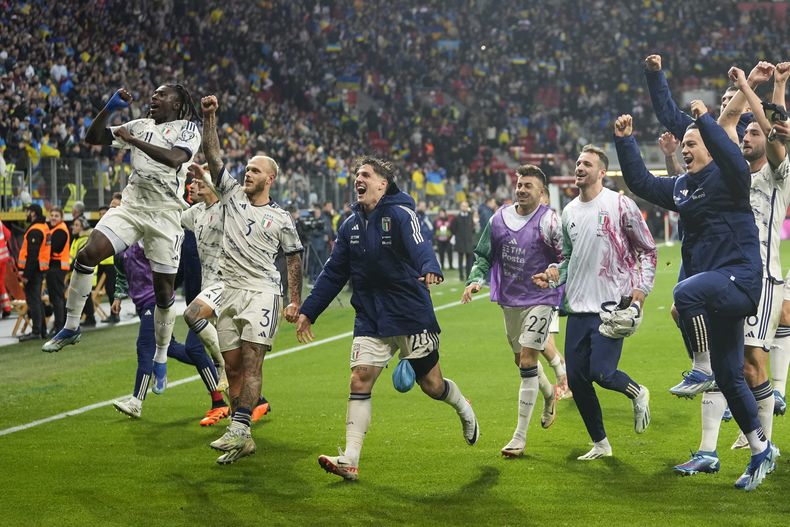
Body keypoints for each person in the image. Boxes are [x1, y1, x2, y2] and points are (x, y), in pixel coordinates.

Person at [614, 78, 778, 490]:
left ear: (709, 146)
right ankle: (761, 450)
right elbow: (642, 184)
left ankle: (698, 366)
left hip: (740, 279)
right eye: (683, 146)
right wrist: (626, 142)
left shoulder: (732, 175)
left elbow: (725, 145)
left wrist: (706, 121)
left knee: (682, 294)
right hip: (716, 291)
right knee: (730, 374)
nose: (685, 150)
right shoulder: (683, 187)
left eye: (692, 144)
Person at [296, 156, 479, 481]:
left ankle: (463, 407)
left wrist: (430, 267)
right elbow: (334, 272)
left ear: (383, 184)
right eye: (356, 175)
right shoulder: (350, 225)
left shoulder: (399, 213)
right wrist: (309, 310)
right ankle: (350, 459)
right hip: (371, 315)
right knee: (359, 379)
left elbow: (419, 243)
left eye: (365, 174)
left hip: (409, 312)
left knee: (432, 385)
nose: (358, 179)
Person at [43, 83, 202, 395]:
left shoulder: (188, 128)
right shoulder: (139, 126)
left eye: (162, 94)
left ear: (178, 102)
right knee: (87, 254)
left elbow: (174, 159)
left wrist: (133, 142)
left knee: (163, 293)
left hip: (165, 215)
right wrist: (109, 109)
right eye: (153, 94)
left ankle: (160, 357)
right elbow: (93, 138)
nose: (154, 98)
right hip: (131, 206)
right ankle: (72, 326)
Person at [671, 63, 790, 472]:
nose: (746, 135)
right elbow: (720, 125)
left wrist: (772, 87)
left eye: (753, 131)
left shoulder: (777, 171)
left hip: (765, 277)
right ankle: (712, 447)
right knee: (729, 365)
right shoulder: (726, 172)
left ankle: (764, 443)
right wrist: (743, 89)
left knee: (747, 364)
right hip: (727, 275)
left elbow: (774, 127)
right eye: (744, 131)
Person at [197, 94, 303, 464]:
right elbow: (213, 156)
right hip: (229, 291)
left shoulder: (281, 218)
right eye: (247, 168)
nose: (247, 173)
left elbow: (294, 257)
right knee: (232, 367)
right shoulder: (231, 198)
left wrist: (294, 300)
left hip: (262, 293)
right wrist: (209, 117)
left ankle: (240, 427)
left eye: (255, 170)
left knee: (253, 360)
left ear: (270, 178)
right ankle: (243, 437)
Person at [534, 145, 655, 461]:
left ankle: (638, 392)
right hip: (577, 308)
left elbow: (647, 250)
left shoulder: (619, 204)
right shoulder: (570, 212)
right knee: (576, 379)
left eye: (587, 163)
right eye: (577, 163)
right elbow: (569, 259)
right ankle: (601, 443)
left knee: (602, 372)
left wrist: (641, 290)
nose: (579, 167)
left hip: (610, 307)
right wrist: (553, 274)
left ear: (602, 172)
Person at [461, 164, 565, 457]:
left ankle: (519, 438)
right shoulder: (498, 219)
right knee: (522, 361)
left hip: (541, 298)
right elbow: (484, 254)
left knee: (530, 357)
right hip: (510, 300)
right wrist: (475, 280)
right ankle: (548, 396)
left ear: (541, 192)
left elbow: (565, 257)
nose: (521, 189)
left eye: (528, 185)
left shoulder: (550, 222)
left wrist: (554, 272)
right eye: (519, 184)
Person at [110, 238, 224, 422]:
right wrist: (117, 296)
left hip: (155, 300)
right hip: (141, 303)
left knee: (145, 346)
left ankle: (136, 402)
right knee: (173, 348)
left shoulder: (144, 236)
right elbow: (121, 272)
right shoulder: (121, 242)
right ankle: (213, 368)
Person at [18, 204, 50, 341]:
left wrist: (26, 276)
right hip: (39, 270)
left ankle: (36, 331)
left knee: (34, 301)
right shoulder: (43, 227)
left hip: (33, 271)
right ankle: (42, 331)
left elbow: (32, 255)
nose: (26, 213)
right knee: (37, 300)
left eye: (28, 211)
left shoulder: (35, 230)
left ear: (33, 213)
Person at [46, 207, 70, 337]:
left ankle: (59, 327)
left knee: (57, 298)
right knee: (58, 297)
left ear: (61, 218)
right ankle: (62, 325)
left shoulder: (60, 230)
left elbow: (53, 249)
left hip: (57, 267)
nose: (53, 217)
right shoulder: (55, 229)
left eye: (56, 215)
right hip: (56, 267)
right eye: (52, 215)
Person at [451, 201, 476, 281]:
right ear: (460, 207)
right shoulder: (456, 218)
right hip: (460, 242)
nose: (464, 208)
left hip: (468, 242)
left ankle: (468, 275)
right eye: (463, 206)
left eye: (466, 206)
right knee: (460, 260)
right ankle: (461, 275)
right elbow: (453, 229)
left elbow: (472, 228)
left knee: (469, 260)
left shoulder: (470, 216)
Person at [0, 219, 12, 318]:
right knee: (0, 283)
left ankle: (6, 308)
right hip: (3, 258)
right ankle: (6, 308)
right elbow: (8, 234)